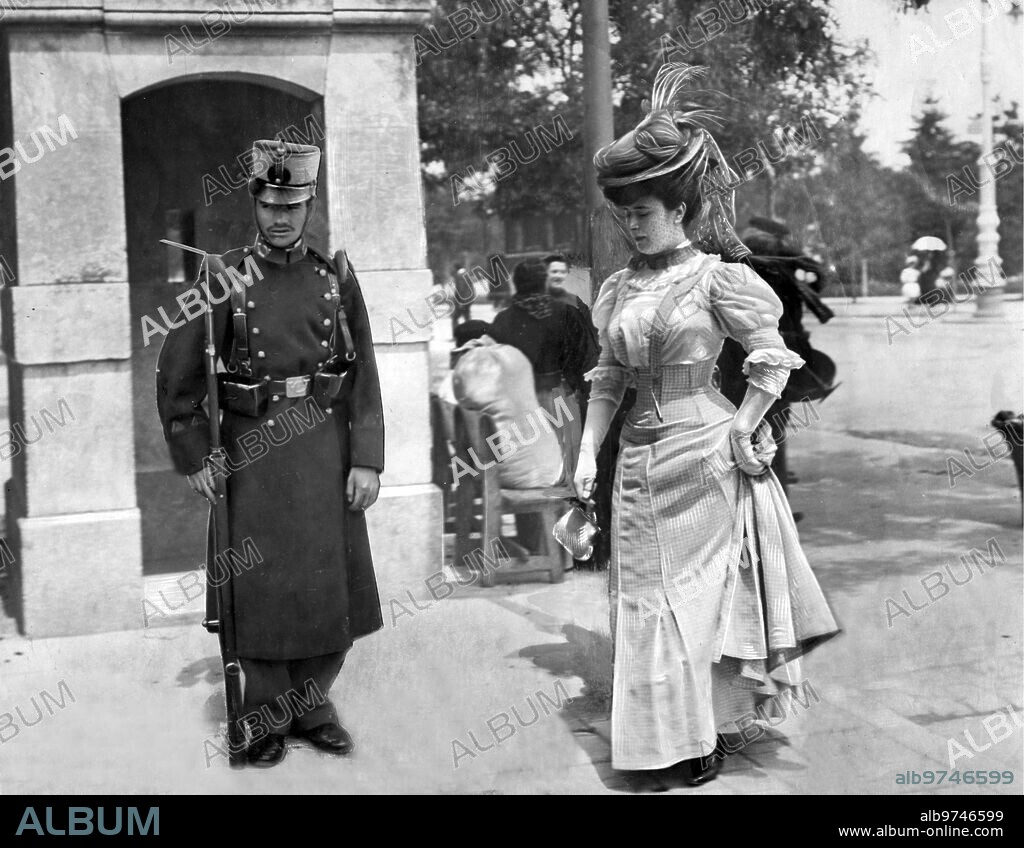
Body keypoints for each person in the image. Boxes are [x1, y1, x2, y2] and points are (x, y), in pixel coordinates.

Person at [574, 64, 839, 785]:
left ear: (681, 211)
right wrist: (586, 455)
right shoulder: (619, 286)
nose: (632, 225)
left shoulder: (719, 278)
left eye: (645, 212)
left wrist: (743, 426)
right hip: (636, 460)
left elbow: (770, 359)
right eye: (624, 214)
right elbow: (607, 377)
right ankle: (660, 743)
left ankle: (695, 742)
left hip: (705, 452)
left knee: (689, 603)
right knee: (639, 598)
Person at [156, 139, 384, 768]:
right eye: (270, 202)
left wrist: (366, 456)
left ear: (310, 203)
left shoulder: (334, 277)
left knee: (325, 581)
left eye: (294, 203)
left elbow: (364, 370)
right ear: (254, 200)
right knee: (257, 585)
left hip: (324, 449)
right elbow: (177, 379)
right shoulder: (224, 277)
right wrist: (198, 454)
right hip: (250, 455)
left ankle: (311, 705)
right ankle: (261, 715)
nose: (282, 216)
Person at [490, 258, 599, 484]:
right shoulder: (565, 313)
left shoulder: (502, 320)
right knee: (563, 469)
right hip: (557, 401)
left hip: (517, 408)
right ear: (543, 284)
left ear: (517, 285)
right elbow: (586, 362)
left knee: (530, 471)